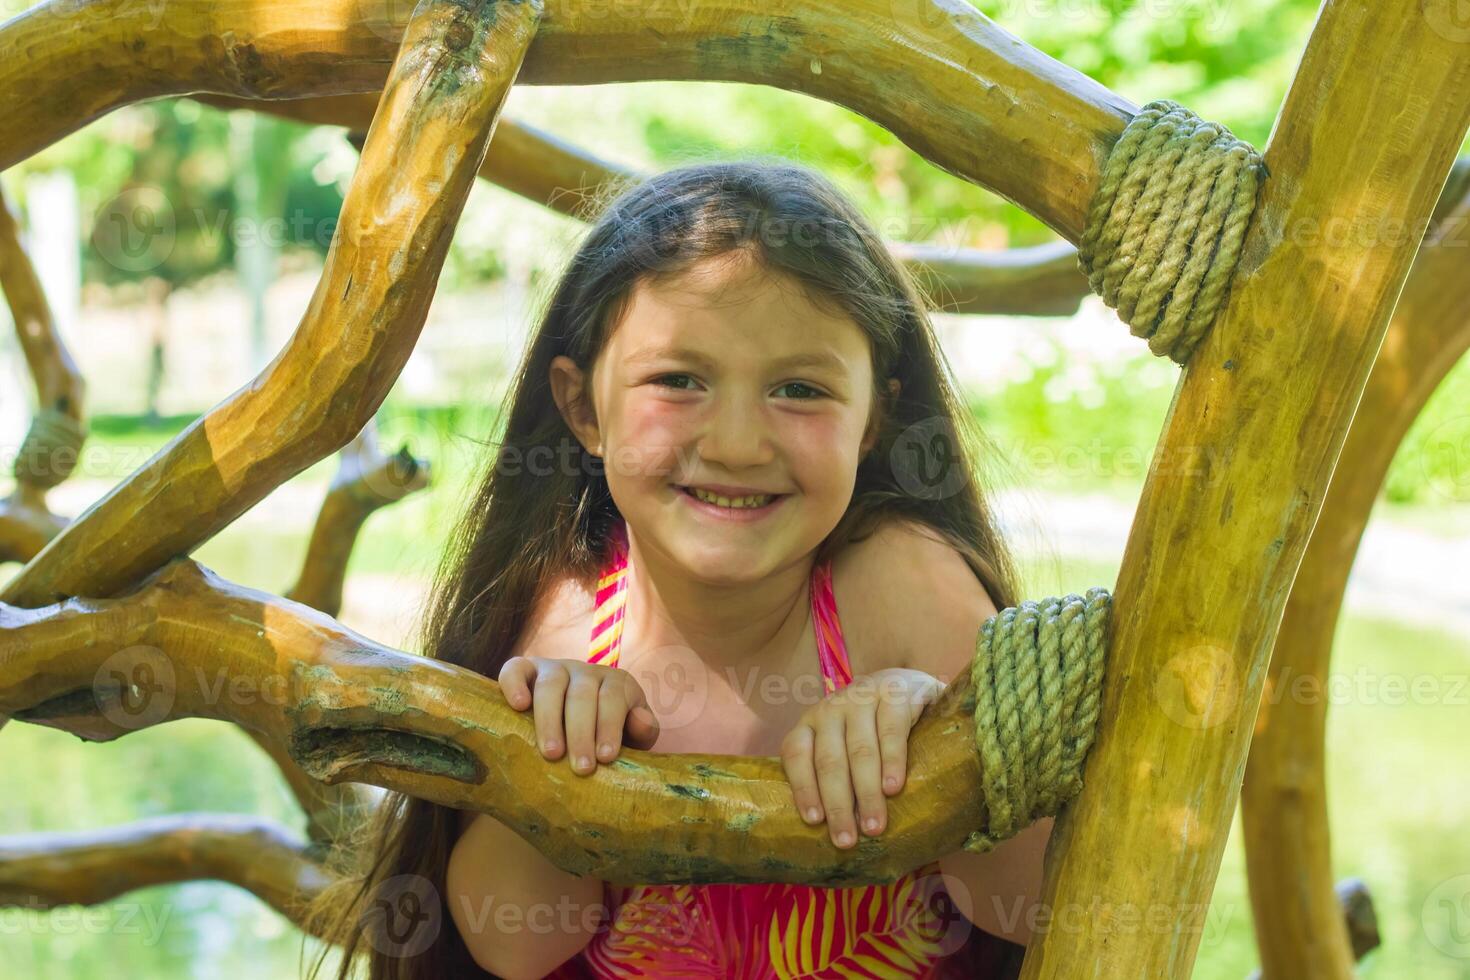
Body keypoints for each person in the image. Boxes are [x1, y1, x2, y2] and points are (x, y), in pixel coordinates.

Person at [307, 158, 1050, 979]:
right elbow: (512, 941)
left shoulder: (902, 583)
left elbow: (1037, 897)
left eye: (800, 389)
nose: (736, 443)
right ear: (584, 407)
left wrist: (942, 732)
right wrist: (564, 766)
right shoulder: (572, 618)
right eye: (678, 380)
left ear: (874, 420)